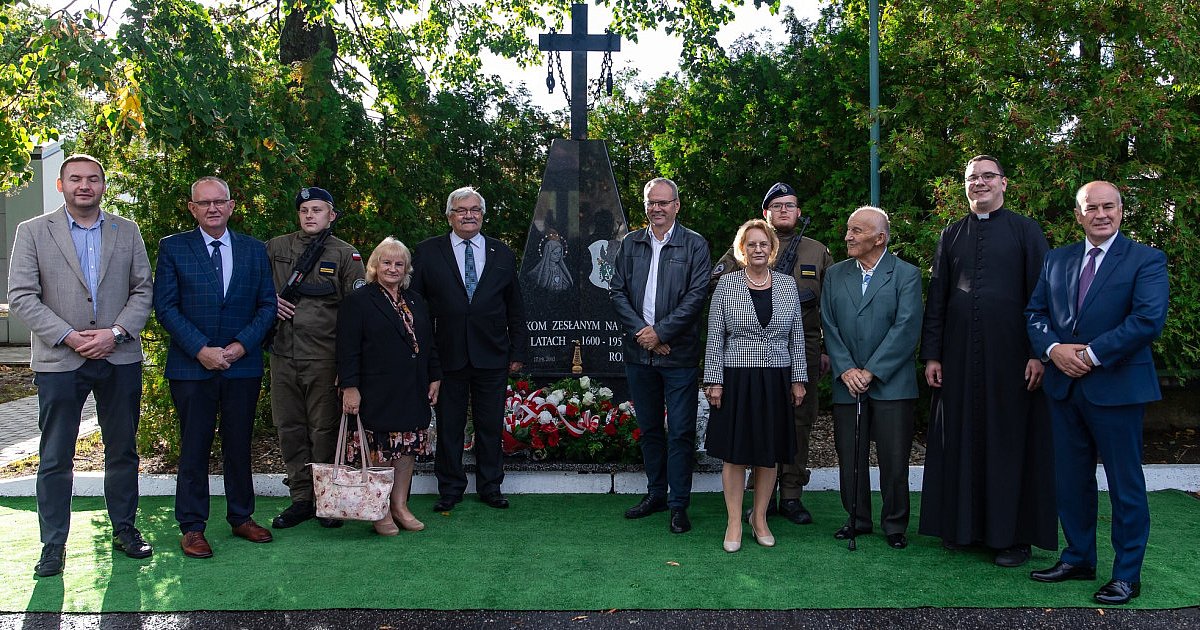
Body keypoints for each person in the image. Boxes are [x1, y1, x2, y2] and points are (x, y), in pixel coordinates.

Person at [8, 154, 154, 577]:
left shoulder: (126, 231)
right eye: (75, 179)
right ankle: (53, 544)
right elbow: (21, 295)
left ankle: (124, 529)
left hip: (118, 356)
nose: (84, 186)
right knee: (56, 456)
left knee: (122, 449)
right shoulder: (33, 231)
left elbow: (143, 289)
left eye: (93, 179)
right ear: (61, 185)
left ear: (104, 186)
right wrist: (69, 336)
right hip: (59, 359)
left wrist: (116, 333)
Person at [1025, 181, 1169, 605]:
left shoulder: (1146, 259)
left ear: (1121, 211)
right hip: (1063, 388)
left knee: (1125, 485)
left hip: (1118, 388)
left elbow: (1147, 320)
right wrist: (1053, 349)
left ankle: (1126, 575)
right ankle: (1078, 557)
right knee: (1071, 481)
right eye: (1091, 208)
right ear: (1078, 215)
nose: (1100, 214)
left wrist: (1090, 354)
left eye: (1109, 207)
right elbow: (1035, 313)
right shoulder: (1057, 259)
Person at [918, 155, 1058, 567]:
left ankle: (1012, 538)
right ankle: (962, 528)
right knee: (960, 439)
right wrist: (932, 354)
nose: (979, 183)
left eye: (987, 177)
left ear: (1003, 183)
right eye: (972, 178)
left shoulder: (1026, 231)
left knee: (1009, 442)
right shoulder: (952, 232)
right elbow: (938, 296)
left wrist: (1038, 353)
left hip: (1012, 361)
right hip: (959, 358)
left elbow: (1044, 295)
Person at [154, 175, 277, 558]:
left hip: (242, 366)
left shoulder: (254, 249)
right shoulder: (174, 247)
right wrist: (201, 350)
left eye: (219, 201)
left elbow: (267, 305)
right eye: (204, 203)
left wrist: (241, 346)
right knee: (194, 447)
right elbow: (166, 307)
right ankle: (192, 527)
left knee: (239, 444)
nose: (212, 208)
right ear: (192, 208)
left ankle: (241, 517)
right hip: (192, 368)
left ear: (231, 206)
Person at [710, 182, 832, 524]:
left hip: (804, 347)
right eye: (776, 206)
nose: (784, 211)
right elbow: (717, 287)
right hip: (748, 355)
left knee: (799, 421)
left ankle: (791, 494)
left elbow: (831, 304)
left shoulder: (816, 251)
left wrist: (827, 349)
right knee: (754, 422)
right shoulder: (747, 247)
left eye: (790, 205)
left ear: (798, 211)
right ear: (766, 213)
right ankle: (757, 500)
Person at [411, 186, 526, 512]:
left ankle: (491, 487)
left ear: (483, 215)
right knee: (450, 426)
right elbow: (416, 308)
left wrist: (518, 351)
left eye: (475, 210)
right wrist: (424, 356)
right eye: (461, 210)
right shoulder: (428, 252)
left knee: (490, 424)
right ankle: (450, 488)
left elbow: (515, 307)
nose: (469, 215)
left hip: (492, 354)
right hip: (447, 356)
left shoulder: (501, 252)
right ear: (449, 216)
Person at [609, 177, 710, 534]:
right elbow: (617, 291)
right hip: (639, 355)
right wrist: (645, 335)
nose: (657, 208)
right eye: (652, 202)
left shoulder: (695, 244)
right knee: (650, 429)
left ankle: (678, 504)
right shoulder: (630, 243)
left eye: (664, 202)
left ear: (677, 206)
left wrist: (662, 334)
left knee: (680, 432)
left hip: (678, 357)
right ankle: (656, 494)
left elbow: (697, 296)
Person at [821, 207, 922, 549]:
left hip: (893, 384)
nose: (848, 236)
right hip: (847, 382)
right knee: (850, 455)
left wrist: (871, 371)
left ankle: (894, 524)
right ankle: (856, 518)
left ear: (879, 238)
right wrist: (847, 368)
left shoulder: (906, 274)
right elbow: (829, 324)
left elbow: (906, 327)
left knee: (894, 458)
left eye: (856, 231)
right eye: (849, 229)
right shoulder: (835, 274)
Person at [704, 219, 807, 552]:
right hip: (737, 378)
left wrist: (798, 379)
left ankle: (759, 518)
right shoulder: (726, 284)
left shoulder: (787, 285)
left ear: (772, 248)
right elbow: (715, 336)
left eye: (764, 244)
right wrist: (714, 380)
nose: (758, 249)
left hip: (776, 378)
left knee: (768, 454)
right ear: (742, 249)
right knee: (735, 455)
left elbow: (797, 337)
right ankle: (734, 521)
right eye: (751, 244)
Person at [266, 187, 365, 530]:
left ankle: (327, 500)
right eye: (304, 210)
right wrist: (268, 301)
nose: (310, 215)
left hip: (324, 357)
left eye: (317, 210)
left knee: (324, 430)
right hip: (282, 354)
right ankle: (300, 499)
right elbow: (250, 286)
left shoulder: (346, 255)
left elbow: (356, 314)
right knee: (289, 428)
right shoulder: (275, 248)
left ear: (331, 215)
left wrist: (348, 368)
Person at [337, 237, 441, 535]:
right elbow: (346, 349)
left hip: (412, 388)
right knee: (379, 452)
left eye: (399, 263)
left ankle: (399, 506)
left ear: (406, 269)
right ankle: (378, 509)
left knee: (406, 449)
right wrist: (349, 387)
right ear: (374, 266)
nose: (392, 268)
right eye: (386, 262)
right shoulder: (358, 301)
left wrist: (435, 376)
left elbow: (428, 342)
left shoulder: (416, 300)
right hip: (376, 391)